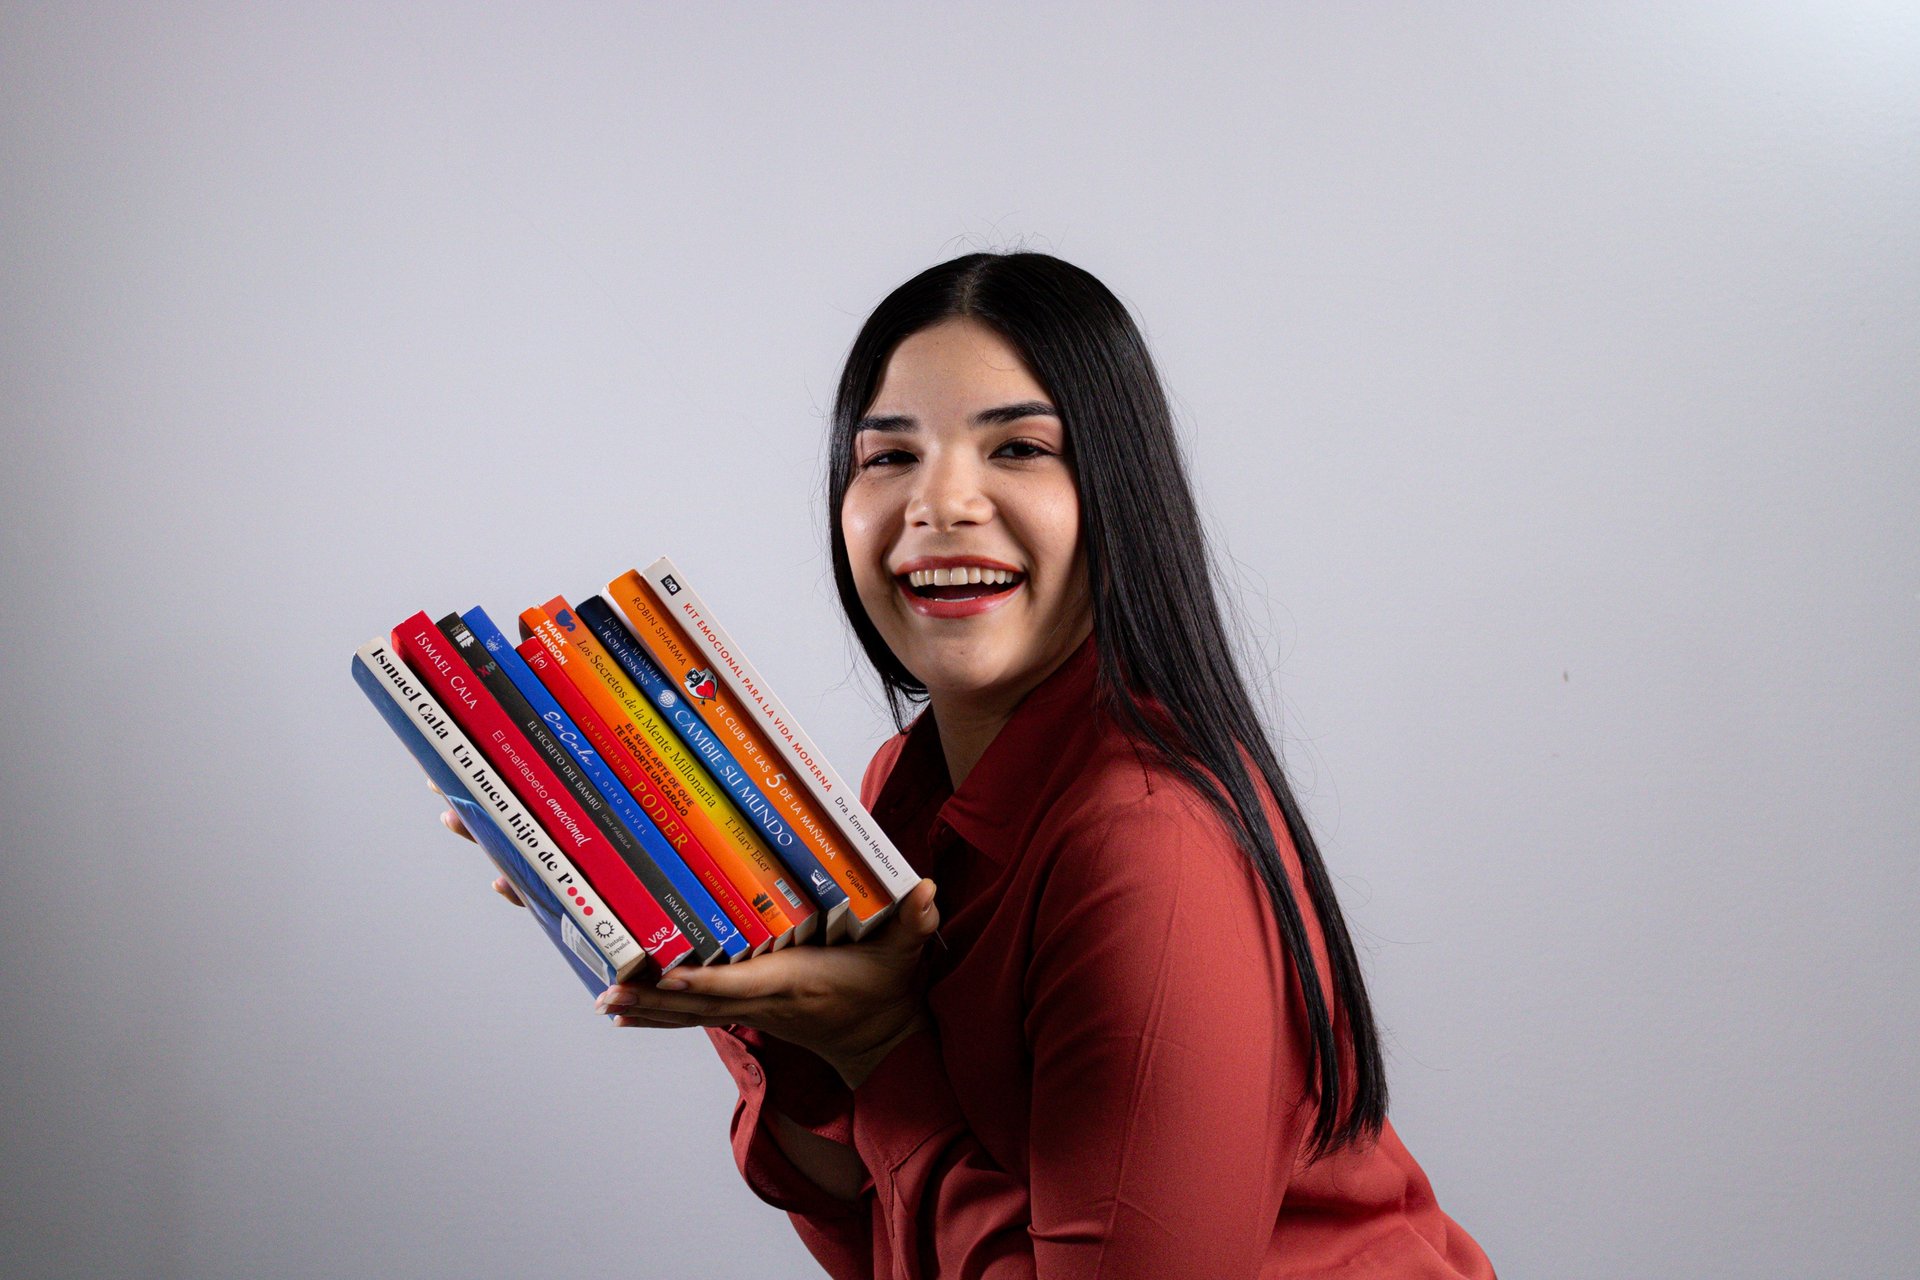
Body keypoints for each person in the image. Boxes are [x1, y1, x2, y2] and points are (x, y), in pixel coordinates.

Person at [443, 252, 1495, 1278]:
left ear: (1117, 497)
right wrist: (729, 952)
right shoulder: (897, 786)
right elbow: (881, 1237)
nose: (940, 503)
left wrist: (874, 1047)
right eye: (889, 456)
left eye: (1020, 448)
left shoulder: (1147, 837)